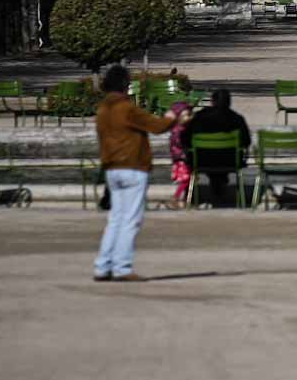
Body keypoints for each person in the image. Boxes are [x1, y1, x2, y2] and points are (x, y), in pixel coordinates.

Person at [93, 65, 187, 282]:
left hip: (112, 168)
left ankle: (102, 265)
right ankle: (122, 268)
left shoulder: (103, 109)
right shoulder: (126, 108)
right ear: (125, 85)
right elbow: (156, 126)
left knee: (115, 219)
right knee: (130, 220)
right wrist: (172, 115)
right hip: (133, 167)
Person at [180, 88, 253, 207]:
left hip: (201, 160)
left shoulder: (199, 117)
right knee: (221, 155)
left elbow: (184, 139)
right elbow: (246, 142)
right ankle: (219, 185)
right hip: (230, 161)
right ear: (229, 103)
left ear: (212, 102)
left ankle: (193, 195)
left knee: (209, 155)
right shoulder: (237, 119)